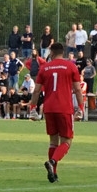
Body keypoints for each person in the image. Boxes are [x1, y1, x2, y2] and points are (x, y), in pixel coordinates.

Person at [30, 42, 83, 183]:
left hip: (49, 108)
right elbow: (78, 89)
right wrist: (81, 108)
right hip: (64, 108)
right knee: (67, 141)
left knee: (53, 141)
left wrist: (32, 108)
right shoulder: (70, 66)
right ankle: (52, 161)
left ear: (52, 53)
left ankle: (53, 174)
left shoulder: (44, 68)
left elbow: (36, 90)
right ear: (63, 53)